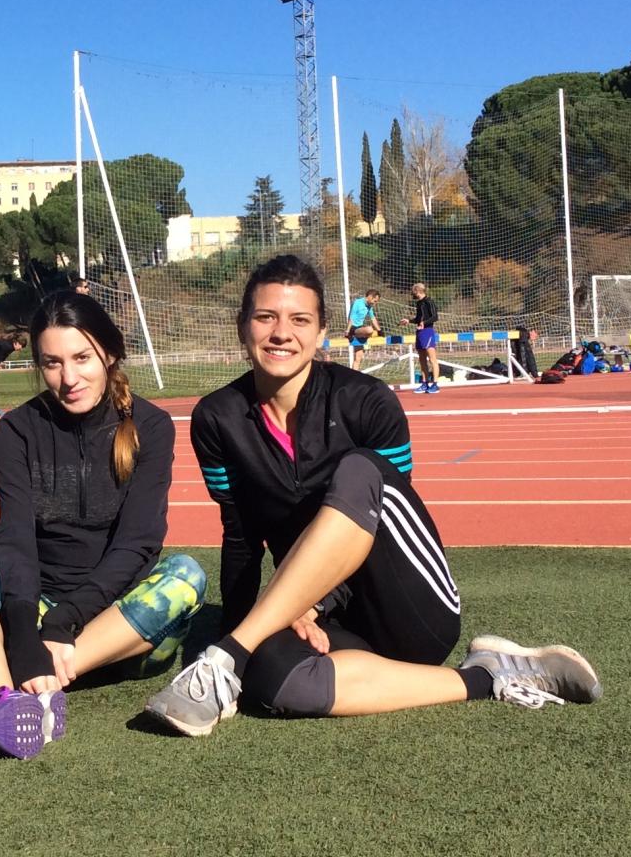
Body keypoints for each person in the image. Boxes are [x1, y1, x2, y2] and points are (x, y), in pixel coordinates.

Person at [145, 255, 601, 737]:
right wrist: (238, 636)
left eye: (299, 320)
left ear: (322, 333)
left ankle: (227, 658)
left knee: (360, 470)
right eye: (266, 318)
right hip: (321, 617)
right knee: (274, 682)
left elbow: (385, 524)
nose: (282, 333)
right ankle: (488, 676)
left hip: (410, 608)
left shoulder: (366, 401)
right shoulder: (216, 419)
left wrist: (308, 604)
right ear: (243, 328)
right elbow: (240, 537)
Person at [0, 292, 205, 759]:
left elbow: (138, 545)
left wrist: (61, 621)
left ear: (109, 353)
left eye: (82, 358)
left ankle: (6, 673)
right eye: (52, 363)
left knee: (187, 577)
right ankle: (5, 700)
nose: (69, 378)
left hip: (117, 625)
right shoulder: (18, 430)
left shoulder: (151, 427)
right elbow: (15, 539)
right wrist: (25, 624)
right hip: (36, 612)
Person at [399, 282, 441, 394]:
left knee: (432, 359)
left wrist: (424, 322)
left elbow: (435, 317)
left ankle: (435, 384)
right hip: (419, 332)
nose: (412, 293)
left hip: (428, 331)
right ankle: (424, 383)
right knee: (422, 360)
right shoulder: (418, 303)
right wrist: (409, 321)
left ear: (418, 290)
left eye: (413, 291)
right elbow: (418, 318)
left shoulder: (429, 301)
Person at [346, 289, 381, 369]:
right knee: (369, 329)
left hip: (360, 330)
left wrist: (379, 330)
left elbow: (373, 319)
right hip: (353, 329)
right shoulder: (357, 303)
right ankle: (357, 335)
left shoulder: (369, 306)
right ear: (370, 297)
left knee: (358, 358)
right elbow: (351, 318)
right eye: (375, 301)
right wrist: (347, 331)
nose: (375, 304)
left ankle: (354, 378)